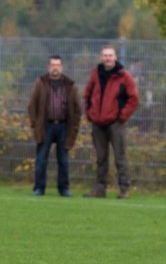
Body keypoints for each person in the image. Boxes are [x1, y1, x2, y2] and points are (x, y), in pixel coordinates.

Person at [82, 44, 139, 199]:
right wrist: (89, 114)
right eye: (105, 55)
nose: (107, 58)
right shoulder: (96, 73)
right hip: (98, 123)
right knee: (101, 158)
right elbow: (87, 95)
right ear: (101, 57)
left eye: (110, 55)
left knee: (120, 157)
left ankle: (124, 189)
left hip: (115, 123)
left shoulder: (124, 76)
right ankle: (100, 189)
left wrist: (121, 117)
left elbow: (134, 99)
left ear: (115, 57)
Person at [27, 54, 81, 197]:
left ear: (61, 67)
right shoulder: (41, 83)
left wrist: (74, 127)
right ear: (49, 67)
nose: (55, 68)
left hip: (64, 127)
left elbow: (77, 110)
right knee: (41, 159)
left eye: (57, 65)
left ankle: (64, 188)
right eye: (52, 65)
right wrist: (35, 124)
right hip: (46, 126)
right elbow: (32, 105)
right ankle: (39, 188)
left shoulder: (70, 85)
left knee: (63, 160)